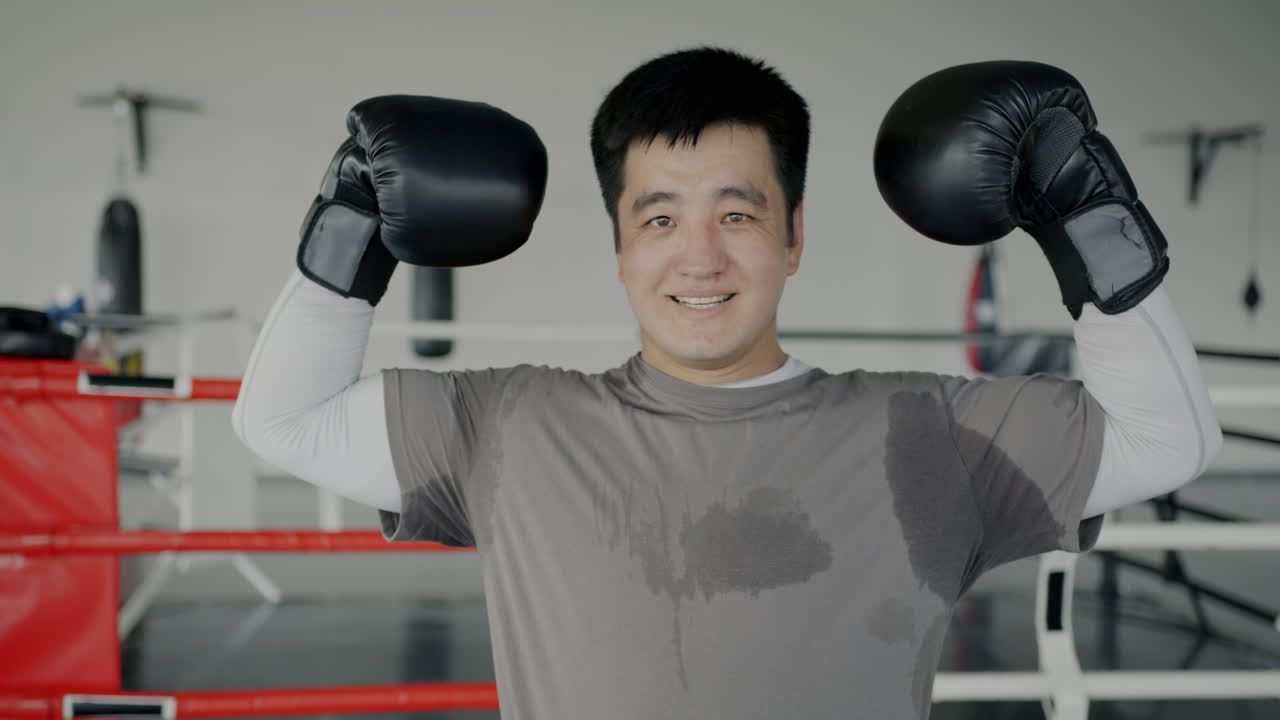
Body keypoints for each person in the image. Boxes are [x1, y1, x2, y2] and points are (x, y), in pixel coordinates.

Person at [233, 47, 1222, 719]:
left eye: (737, 216)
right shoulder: (511, 421)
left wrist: (1083, 213)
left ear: (792, 237)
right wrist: (348, 230)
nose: (698, 257)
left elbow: (1167, 441)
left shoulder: (924, 430)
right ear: (619, 246)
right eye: (659, 218)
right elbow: (283, 421)